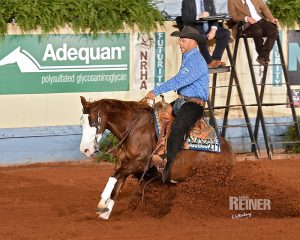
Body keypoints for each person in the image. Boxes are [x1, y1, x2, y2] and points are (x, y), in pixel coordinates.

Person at [146, 26, 209, 183]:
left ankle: (168, 161)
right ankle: (157, 151)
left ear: (193, 42)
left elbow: (179, 80)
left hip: (194, 104)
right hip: (182, 101)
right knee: (158, 115)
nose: (180, 43)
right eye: (180, 40)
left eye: (183, 40)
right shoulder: (188, 57)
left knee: (178, 127)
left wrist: (157, 90)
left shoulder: (196, 60)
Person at [181, 0, 231, 68]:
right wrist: (198, 16)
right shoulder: (187, 1)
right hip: (195, 26)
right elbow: (185, 18)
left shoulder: (209, 1)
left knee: (226, 33)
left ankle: (216, 59)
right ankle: (209, 61)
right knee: (201, 36)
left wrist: (213, 30)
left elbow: (214, 16)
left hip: (208, 27)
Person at [228, 0, 279, 65]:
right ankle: (263, 56)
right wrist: (246, 18)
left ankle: (262, 56)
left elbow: (264, 7)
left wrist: (271, 18)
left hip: (260, 20)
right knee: (257, 31)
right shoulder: (232, 1)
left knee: (274, 31)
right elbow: (233, 16)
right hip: (246, 24)